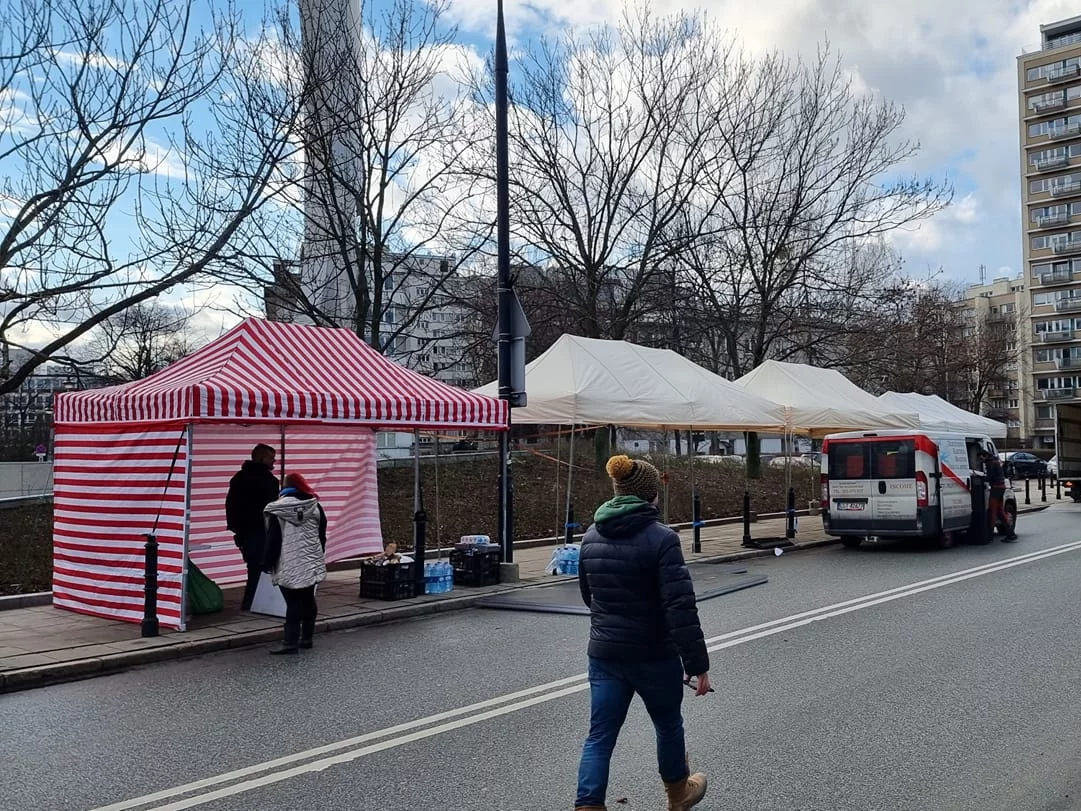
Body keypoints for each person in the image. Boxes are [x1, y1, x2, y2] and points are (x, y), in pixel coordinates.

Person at [575, 454, 711, 811]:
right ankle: (678, 796)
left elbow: (590, 596)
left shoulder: (590, 536)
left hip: (604, 653)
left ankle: (588, 806)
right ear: (651, 495)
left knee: (600, 735)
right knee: (668, 725)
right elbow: (680, 607)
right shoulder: (663, 539)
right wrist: (697, 664)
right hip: (653, 654)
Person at [262, 472, 327, 654]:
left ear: (284, 487)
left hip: (287, 561)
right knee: (307, 599)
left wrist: (267, 563)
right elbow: (322, 535)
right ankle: (307, 638)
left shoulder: (276, 509)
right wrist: (318, 555)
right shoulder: (315, 506)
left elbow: (273, 540)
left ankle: (290, 642)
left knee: (292, 603)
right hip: (310, 560)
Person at [225, 443, 280, 610]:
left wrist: (235, 527)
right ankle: (254, 601)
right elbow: (271, 508)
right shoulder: (269, 481)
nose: (274, 462)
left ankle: (251, 600)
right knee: (261, 566)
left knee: (253, 566)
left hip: (244, 530)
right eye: (271, 458)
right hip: (260, 529)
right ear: (262, 459)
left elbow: (230, 504)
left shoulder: (239, 477)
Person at [980, 449, 1017, 542]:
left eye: (981, 458)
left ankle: (989, 536)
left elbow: (989, 477)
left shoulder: (990, 463)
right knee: (1000, 512)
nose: (981, 461)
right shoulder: (995, 460)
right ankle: (1011, 534)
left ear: (984, 456)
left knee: (993, 511)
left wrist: (980, 477)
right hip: (1001, 487)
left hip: (996, 488)